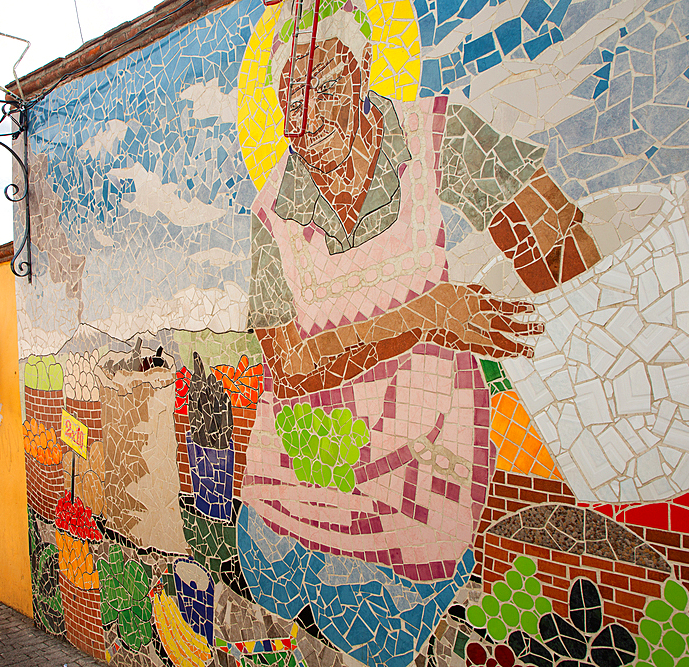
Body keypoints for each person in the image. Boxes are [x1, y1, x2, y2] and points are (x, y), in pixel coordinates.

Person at [235, 3, 547, 665]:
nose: (307, 116)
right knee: (268, 626)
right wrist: (420, 317)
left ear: (368, 70)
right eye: (291, 96)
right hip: (283, 497)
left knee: (365, 629)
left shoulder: (440, 139)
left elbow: (554, 235)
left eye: (326, 87)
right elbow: (288, 368)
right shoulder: (272, 210)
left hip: (411, 501)